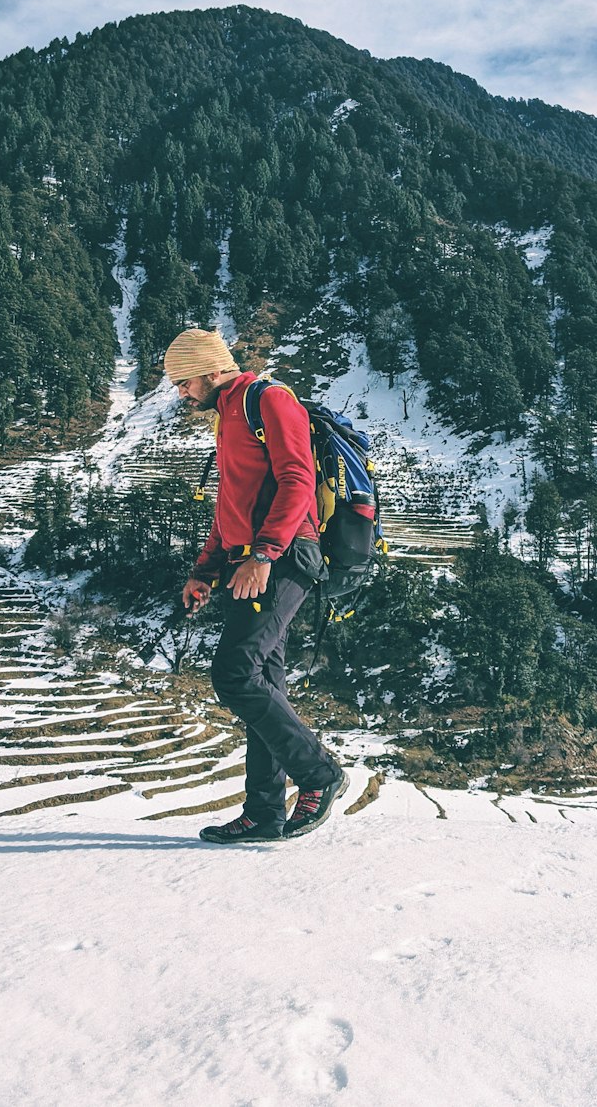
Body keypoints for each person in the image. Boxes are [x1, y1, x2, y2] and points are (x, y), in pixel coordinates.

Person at [163, 327, 347, 843]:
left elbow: (297, 479)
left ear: (210, 368)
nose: (180, 392)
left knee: (235, 672)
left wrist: (264, 554)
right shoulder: (229, 416)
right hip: (253, 558)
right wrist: (205, 570)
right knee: (264, 681)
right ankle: (263, 813)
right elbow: (230, 507)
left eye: (183, 380)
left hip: (286, 555)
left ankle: (320, 774)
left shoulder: (269, 398)